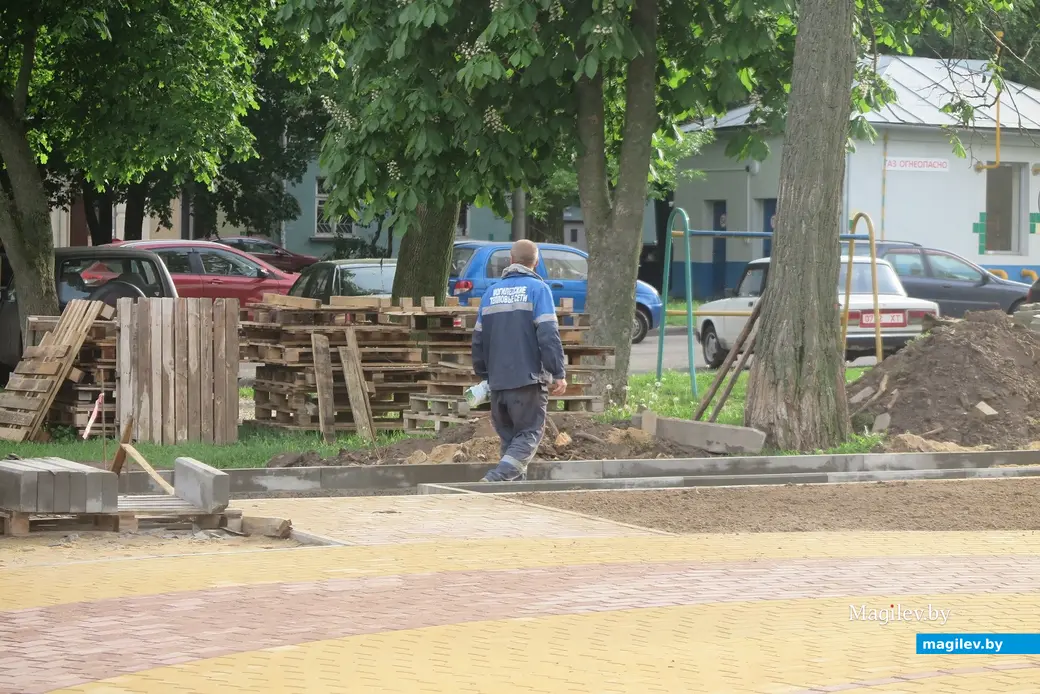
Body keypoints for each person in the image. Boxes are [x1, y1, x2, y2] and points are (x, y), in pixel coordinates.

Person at [471, 239, 567, 482]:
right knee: (529, 434)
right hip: (527, 382)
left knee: (511, 442)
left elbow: (478, 339)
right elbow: (547, 334)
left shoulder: (491, 293)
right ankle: (496, 480)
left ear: (511, 261)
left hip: (498, 383)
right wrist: (558, 372)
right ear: (536, 263)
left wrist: (485, 376)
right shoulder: (538, 290)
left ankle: (510, 497)